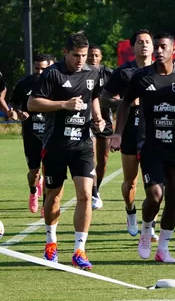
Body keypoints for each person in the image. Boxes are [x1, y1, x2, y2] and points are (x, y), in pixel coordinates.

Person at [110, 32, 175, 263]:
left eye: (162, 47)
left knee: (173, 198)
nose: (158, 51)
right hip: (150, 145)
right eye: (156, 47)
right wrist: (118, 133)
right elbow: (124, 104)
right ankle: (147, 228)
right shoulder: (141, 78)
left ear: (173, 51)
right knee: (155, 195)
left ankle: (163, 249)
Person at [28, 33, 105, 270]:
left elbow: (93, 98)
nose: (81, 60)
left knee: (85, 194)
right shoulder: (53, 73)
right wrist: (63, 104)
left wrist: (99, 119)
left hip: (82, 144)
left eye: (84, 55)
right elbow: (32, 104)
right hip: (55, 145)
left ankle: (79, 250)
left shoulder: (93, 72)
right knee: (54, 197)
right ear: (65, 52)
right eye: (76, 56)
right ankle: (51, 243)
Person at [101, 29, 157, 239]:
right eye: (140, 42)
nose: (144, 45)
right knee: (131, 181)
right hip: (131, 132)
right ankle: (130, 211)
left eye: (148, 42)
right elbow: (104, 98)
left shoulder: (161, 70)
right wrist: (124, 102)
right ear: (133, 47)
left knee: (155, 184)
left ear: (153, 46)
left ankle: (150, 223)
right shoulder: (124, 72)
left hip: (154, 133)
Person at [9, 54, 55, 213]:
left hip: (51, 134)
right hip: (31, 134)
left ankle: (45, 205)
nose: (40, 72)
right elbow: (14, 103)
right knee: (34, 173)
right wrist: (19, 112)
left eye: (44, 68)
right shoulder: (24, 84)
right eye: (37, 68)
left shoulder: (56, 82)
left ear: (50, 66)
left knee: (48, 171)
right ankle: (33, 191)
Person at [87, 45, 113, 210]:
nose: (93, 58)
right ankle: (93, 192)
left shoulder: (109, 73)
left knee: (103, 160)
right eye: (90, 55)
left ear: (101, 57)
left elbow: (117, 95)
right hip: (87, 120)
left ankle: (97, 190)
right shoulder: (81, 72)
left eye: (96, 55)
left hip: (106, 120)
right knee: (92, 157)